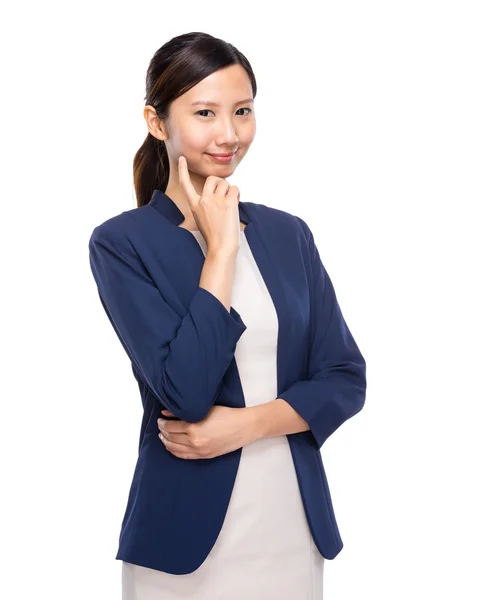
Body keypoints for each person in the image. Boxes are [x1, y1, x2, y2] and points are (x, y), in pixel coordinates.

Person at [88, 31, 367, 600]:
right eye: (205, 112)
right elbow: (185, 393)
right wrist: (219, 251)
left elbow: (345, 379)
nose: (229, 133)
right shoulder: (123, 243)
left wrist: (246, 425)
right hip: (184, 547)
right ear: (157, 121)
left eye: (242, 111)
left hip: (292, 530)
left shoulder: (288, 234)